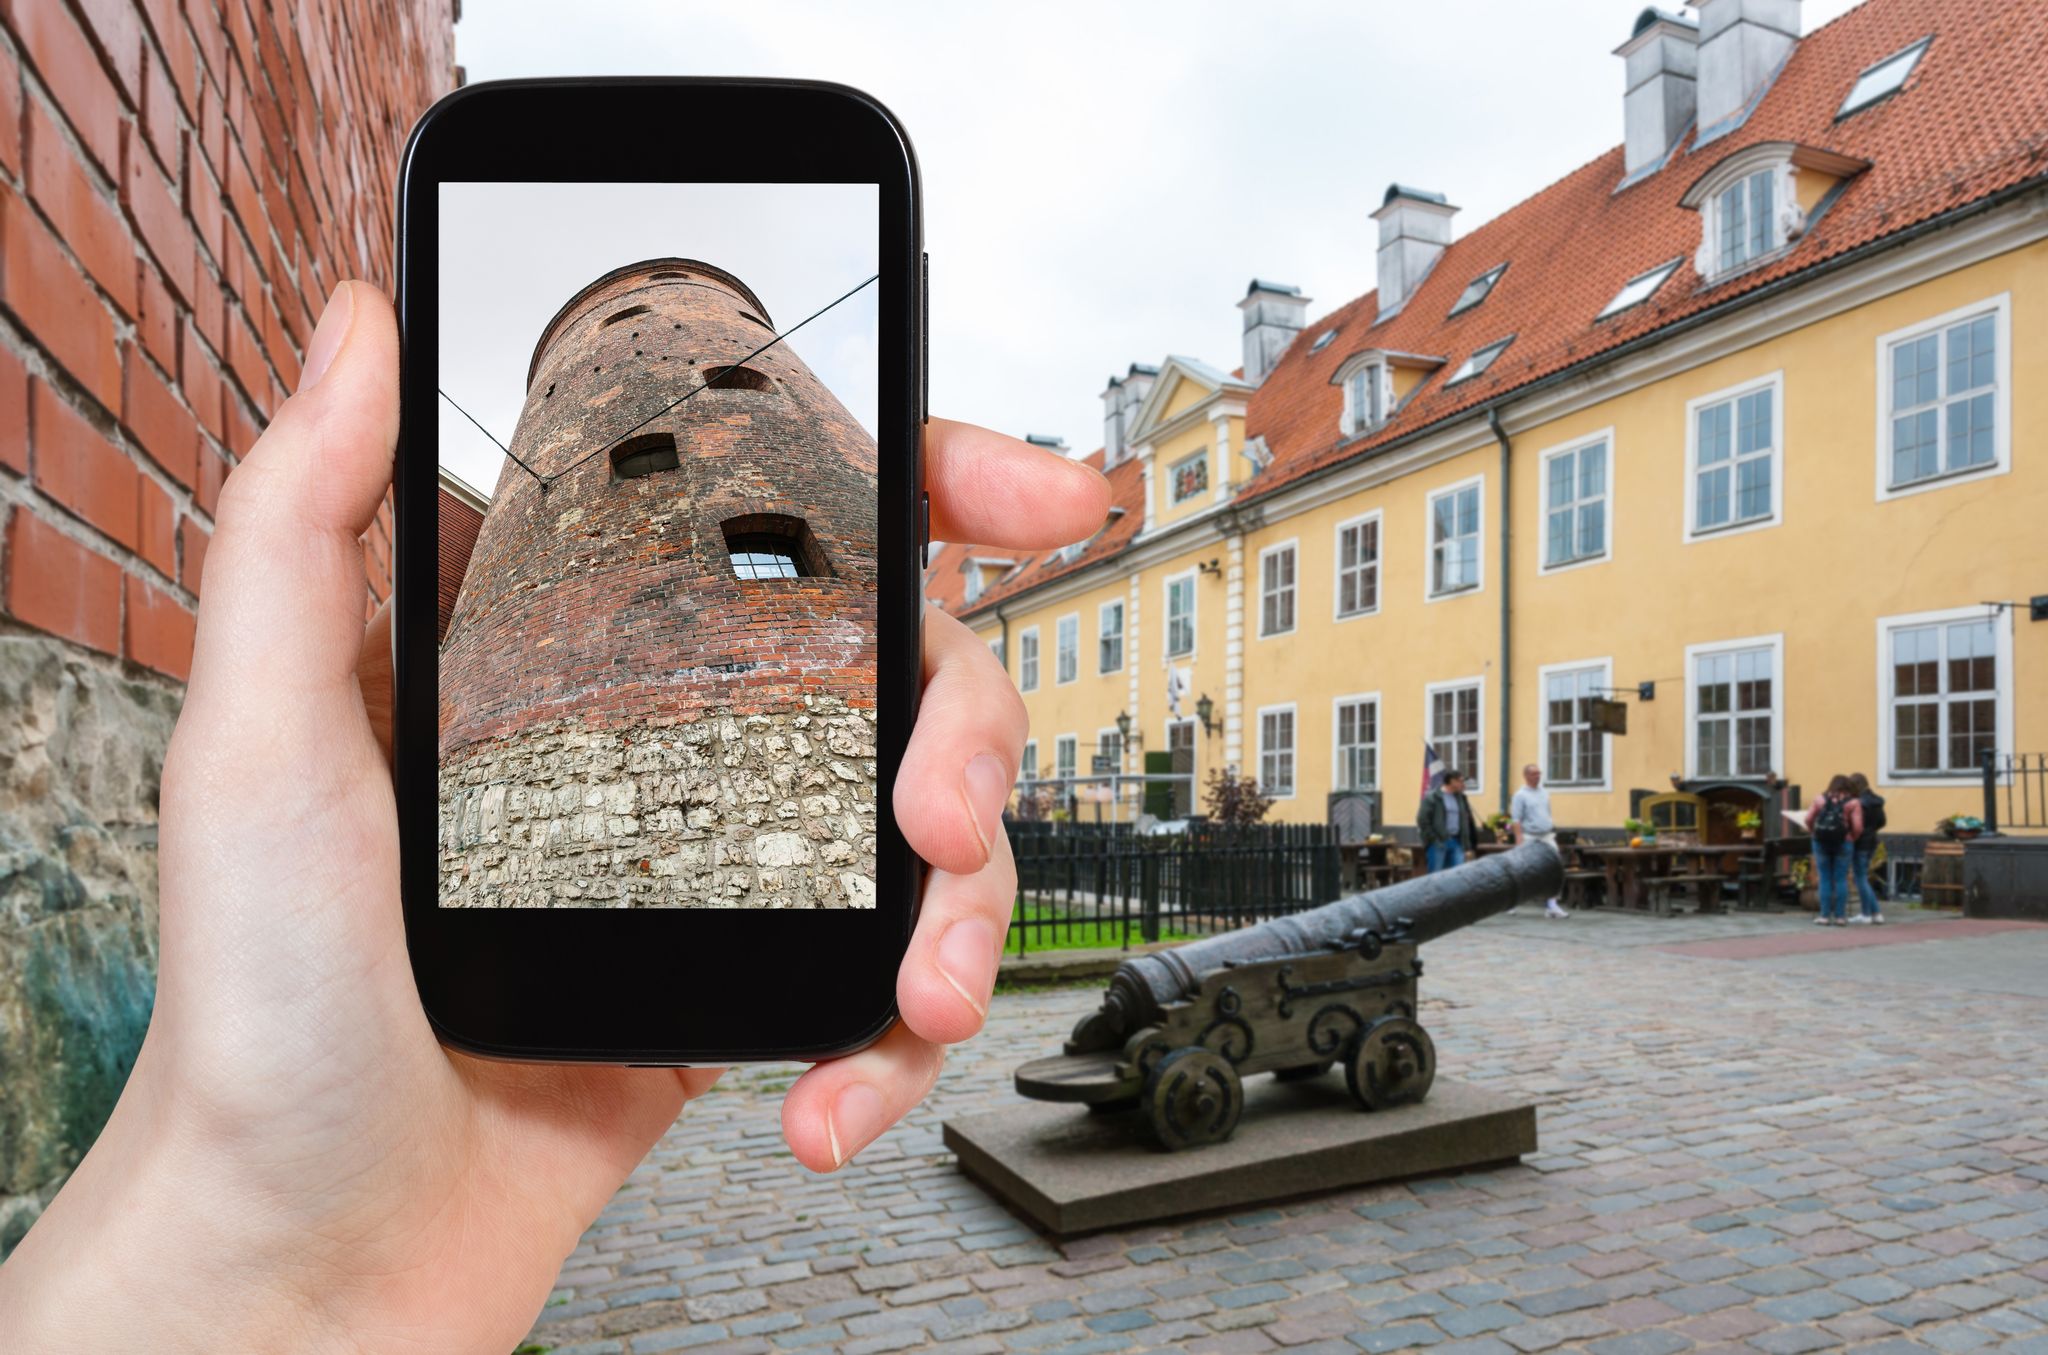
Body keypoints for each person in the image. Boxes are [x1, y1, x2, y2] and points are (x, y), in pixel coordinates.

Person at [0, 283, 1112, 1351]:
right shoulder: (551, 482)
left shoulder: (759, 427)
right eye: (629, 305)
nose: (648, 318)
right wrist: (272, 1265)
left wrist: (277, 1292)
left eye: (675, 299)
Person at [1509, 763, 1568, 918]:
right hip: (1529, 835)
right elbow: (1516, 819)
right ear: (1526, 776)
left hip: (1547, 835)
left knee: (1556, 868)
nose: (1538, 776)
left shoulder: (1544, 793)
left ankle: (1552, 905)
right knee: (1524, 870)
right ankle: (1511, 901)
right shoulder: (1520, 795)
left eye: (1539, 773)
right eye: (1534, 774)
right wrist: (1518, 839)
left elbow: (1547, 813)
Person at [1806, 773, 1864, 927]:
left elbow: (1808, 819)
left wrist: (1813, 832)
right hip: (1844, 843)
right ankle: (1840, 917)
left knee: (1824, 878)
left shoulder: (1819, 799)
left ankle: (1824, 917)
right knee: (1840, 879)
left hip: (1820, 842)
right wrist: (1852, 837)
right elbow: (1858, 826)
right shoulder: (1853, 802)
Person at [1418, 768, 1480, 873]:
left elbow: (1465, 821)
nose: (1462, 784)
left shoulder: (1460, 798)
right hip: (1438, 843)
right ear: (1452, 781)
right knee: (1436, 877)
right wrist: (1434, 839)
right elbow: (1422, 820)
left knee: (1456, 876)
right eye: (1460, 781)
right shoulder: (1432, 797)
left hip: (1457, 842)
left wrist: (1467, 844)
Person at [1847, 771, 1887, 925]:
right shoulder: (1876, 801)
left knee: (1860, 879)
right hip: (1872, 841)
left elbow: (1854, 825)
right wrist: (1871, 830)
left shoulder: (1859, 803)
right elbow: (1882, 822)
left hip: (1860, 843)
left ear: (1856, 786)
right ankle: (1876, 914)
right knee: (1862, 878)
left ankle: (1866, 914)